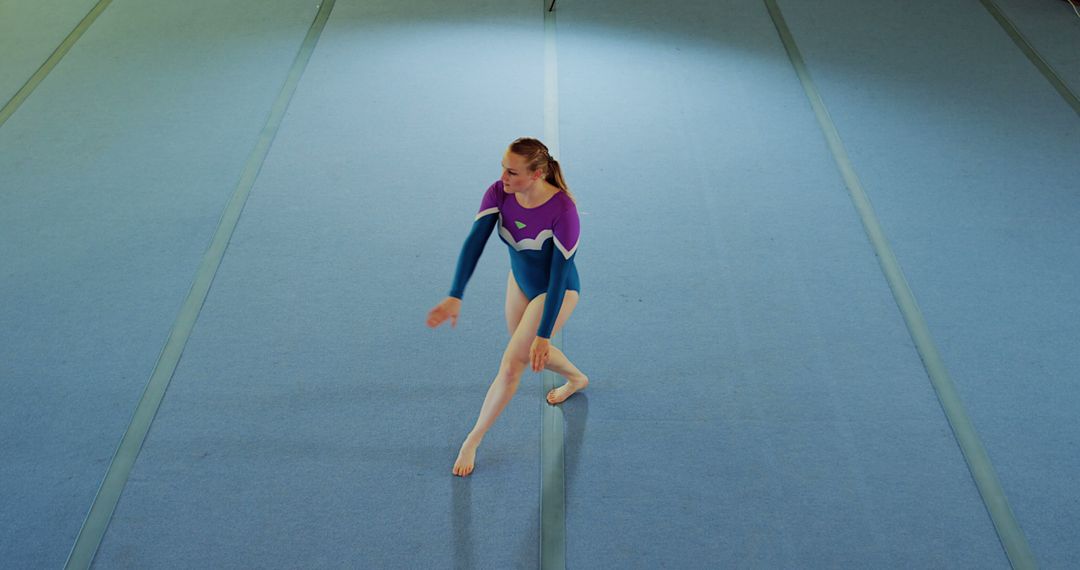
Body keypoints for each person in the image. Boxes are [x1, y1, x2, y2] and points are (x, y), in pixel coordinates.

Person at [426, 137, 589, 478]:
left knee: (513, 364)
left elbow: (559, 277)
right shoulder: (499, 193)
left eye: (512, 172)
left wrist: (545, 333)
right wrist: (456, 293)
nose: (503, 176)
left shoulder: (564, 211)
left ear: (537, 174)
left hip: (554, 292)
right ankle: (576, 378)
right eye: (503, 167)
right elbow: (475, 242)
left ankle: (473, 438)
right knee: (527, 351)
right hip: (519, 283)